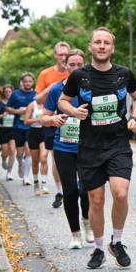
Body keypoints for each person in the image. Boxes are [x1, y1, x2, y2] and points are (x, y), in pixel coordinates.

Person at [59, 27, 136, 269]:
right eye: (97, 42)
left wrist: (134, 117)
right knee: (96, 201)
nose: (102, 46)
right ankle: (98, 249)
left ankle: (117, 242)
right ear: (90, 46)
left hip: (118, 144)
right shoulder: (79, 76)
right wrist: (74, 111)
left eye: (106, 42)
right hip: (90, 147)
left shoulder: (124, 74)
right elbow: (63, 101)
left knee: (121, 193)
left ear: (112, 48)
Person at [41, 49, 93, 248]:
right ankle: (75, 234)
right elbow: (43, 118)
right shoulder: (56, 90)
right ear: (65, 66)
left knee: (86, 189)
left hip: (87, 146)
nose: (76, 68)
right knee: (70, 191)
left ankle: (87, 221)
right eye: (72, 64)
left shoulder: (92, 88)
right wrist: (52, 119)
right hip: (63, 146)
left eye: (80, 65)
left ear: (85, 65)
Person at [37, 42, 71, 207]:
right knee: (56, 158)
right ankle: (60, 191)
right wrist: (48, 89)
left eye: (66, 54)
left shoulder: (75, 71)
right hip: (53, 121)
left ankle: (73, 187)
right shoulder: (45, 74)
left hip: (74, 121)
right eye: (60, 54)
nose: (63, 57)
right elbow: (38, 99)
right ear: (55, 55)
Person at [5, 74, 37, 185]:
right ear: (22, 82)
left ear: (33, 82)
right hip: (18, 126)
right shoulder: (16, 94)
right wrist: (17, 111)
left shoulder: (36, 94)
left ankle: (26, 177)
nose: (28, 83)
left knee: (28, 150)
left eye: (30, 81)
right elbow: (7, 108)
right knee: (19, 153)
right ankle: (20, 164)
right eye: (25, 81)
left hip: (31, 126)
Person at [24, 92, 50, 195]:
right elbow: (26, 121)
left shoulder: (49, 104)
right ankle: (35, 183)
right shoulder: (32, 105)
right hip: (33, 133)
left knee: (43, 158)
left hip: (45, 132)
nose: (45, 96)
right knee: (35, 161)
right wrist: (39, 119)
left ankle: (44, 184)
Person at [0, 85, 17, 180]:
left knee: (12, 150)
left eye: (9, 91)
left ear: (12, 92)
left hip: (13, 129)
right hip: (2, 130)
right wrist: (2, 115)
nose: (8, 93)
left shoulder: (16, 103)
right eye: (6, 92)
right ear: (3, 93)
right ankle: (3, 159)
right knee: (5, 152)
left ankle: (9, 173)